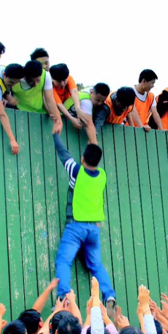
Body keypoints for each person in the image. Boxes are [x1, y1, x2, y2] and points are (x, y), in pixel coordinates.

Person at [53, 133, 117, 316]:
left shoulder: (76, 170)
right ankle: (109, 295)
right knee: (96, 265)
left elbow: (62, 152)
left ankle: (64, 297)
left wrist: (56, 133)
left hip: (75, 226)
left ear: (82, 158)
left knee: (64, 261)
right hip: (93, 229)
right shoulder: (102, 176)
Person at [11, 60, 63, 134]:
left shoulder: (46, 76)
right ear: (25, 76)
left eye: (38, 80)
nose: (35, 84)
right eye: (31, 81)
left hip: (40, 114)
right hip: (20, 115)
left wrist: (59, 122)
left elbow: (50, 100)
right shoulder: (16, 77)